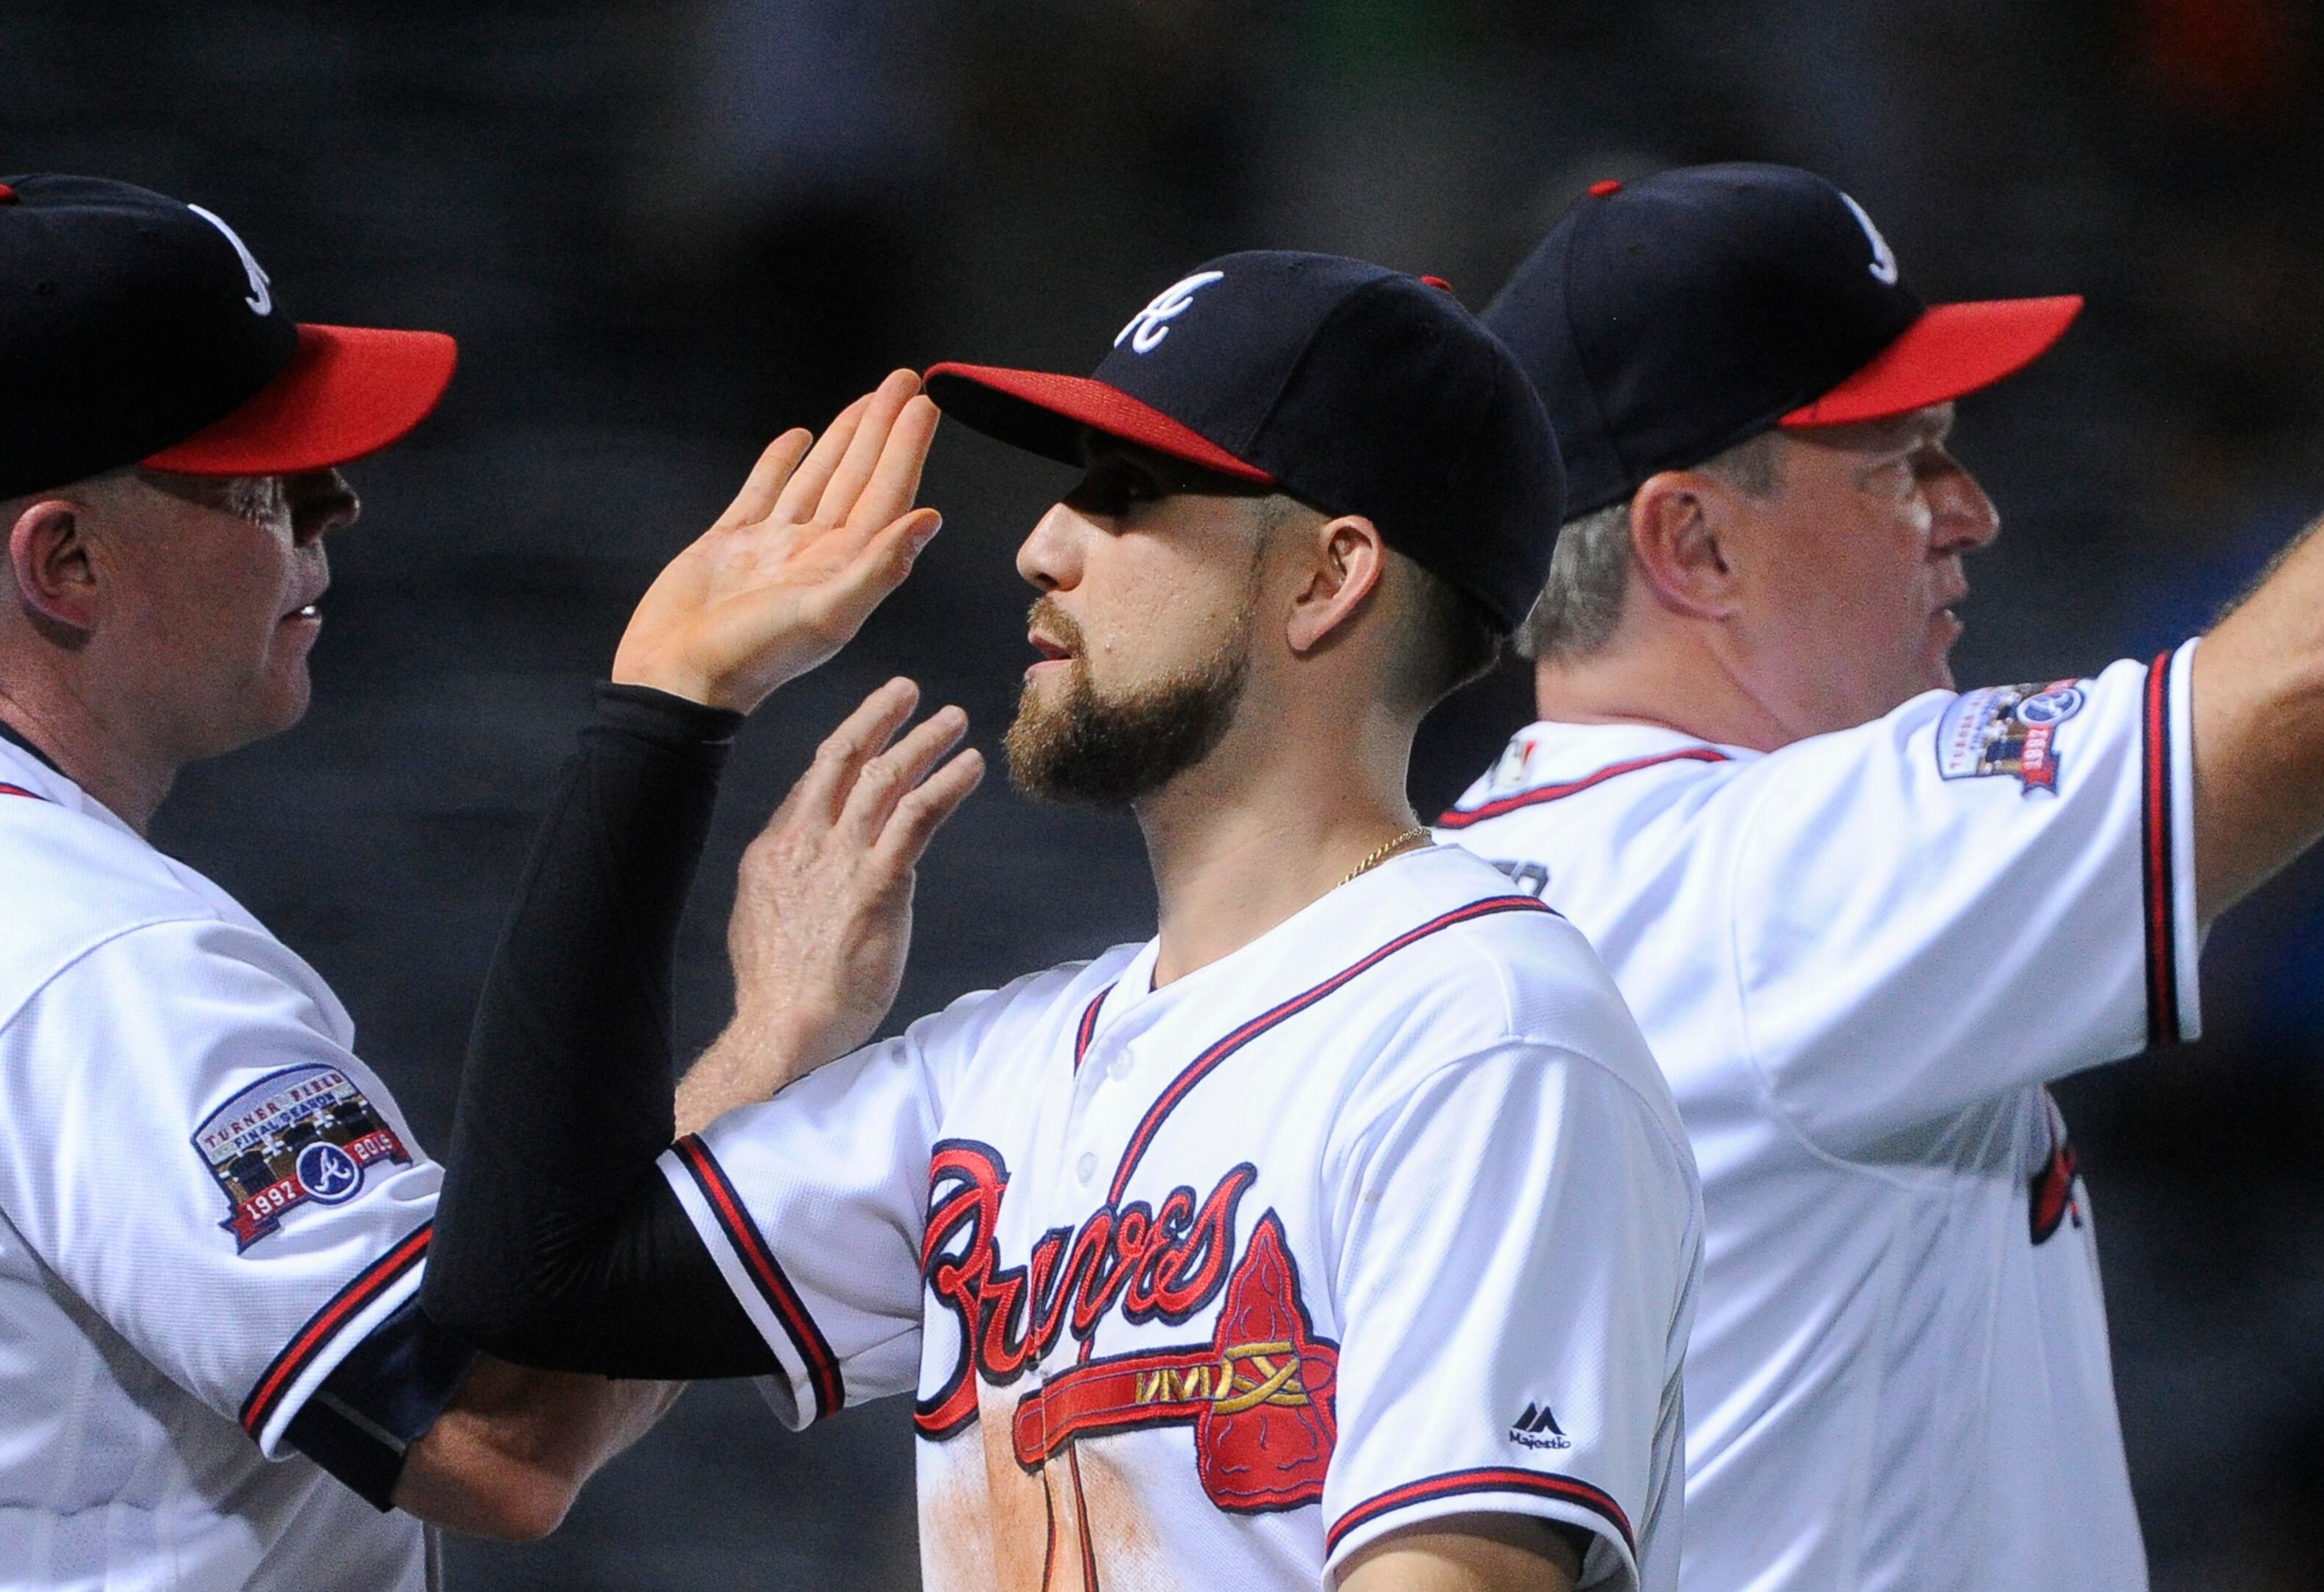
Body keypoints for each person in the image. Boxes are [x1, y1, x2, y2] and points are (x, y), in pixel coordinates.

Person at [0, 172, 959, 1588]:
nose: (336, 502)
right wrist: (778, 1037)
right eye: (261, 476)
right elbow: (503, 1438)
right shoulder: (83, 960)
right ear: (63, 558)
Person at [421, 251, 1704, 1592]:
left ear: (1330, 579)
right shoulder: (997, 1071)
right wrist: (665, 708)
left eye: (1128, 493)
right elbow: (538, 1288)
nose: (1042, 542)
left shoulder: (1483, 1037)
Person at [1450, 160, 2324, 1592]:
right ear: (1691, 540)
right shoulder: (1769, 879)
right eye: (1904, 457)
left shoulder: (1424, 901)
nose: (1973, 510)